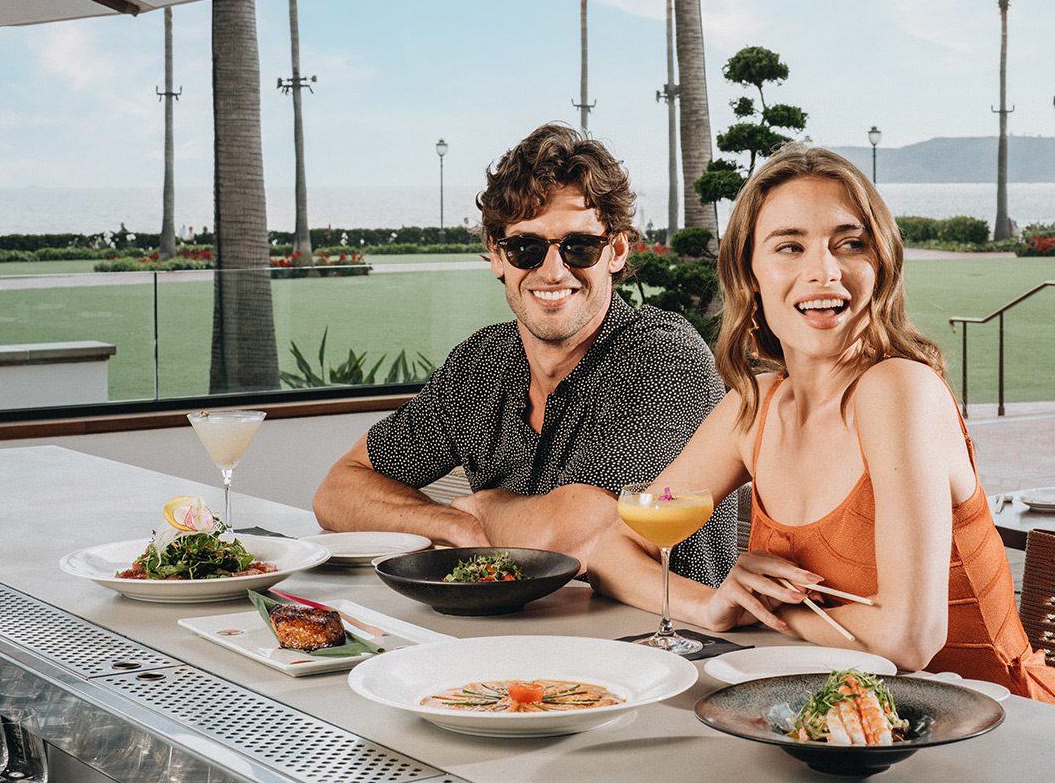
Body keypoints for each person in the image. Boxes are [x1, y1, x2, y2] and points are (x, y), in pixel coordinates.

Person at [589, 145, 1055, 706]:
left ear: (882, 265)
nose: (823, 271)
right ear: (749, 274)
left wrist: (767, 613)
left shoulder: (899, 390)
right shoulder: (755, 407)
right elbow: (614, 548)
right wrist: (710, 605)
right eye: (789, 247)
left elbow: (909, 639)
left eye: (850, 244)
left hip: (991, 730)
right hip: (827, 721)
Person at [313, 124, 738, 586]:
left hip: (658, 640)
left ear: (615, 250)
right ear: (497, 256)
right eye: (526, 248)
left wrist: (485, 505)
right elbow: (338, 492)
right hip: (516, 636)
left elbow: (579, 538)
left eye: (579, 246)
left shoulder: (663, 357)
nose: (553, 271)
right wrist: (453, 523)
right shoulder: (483, 363)